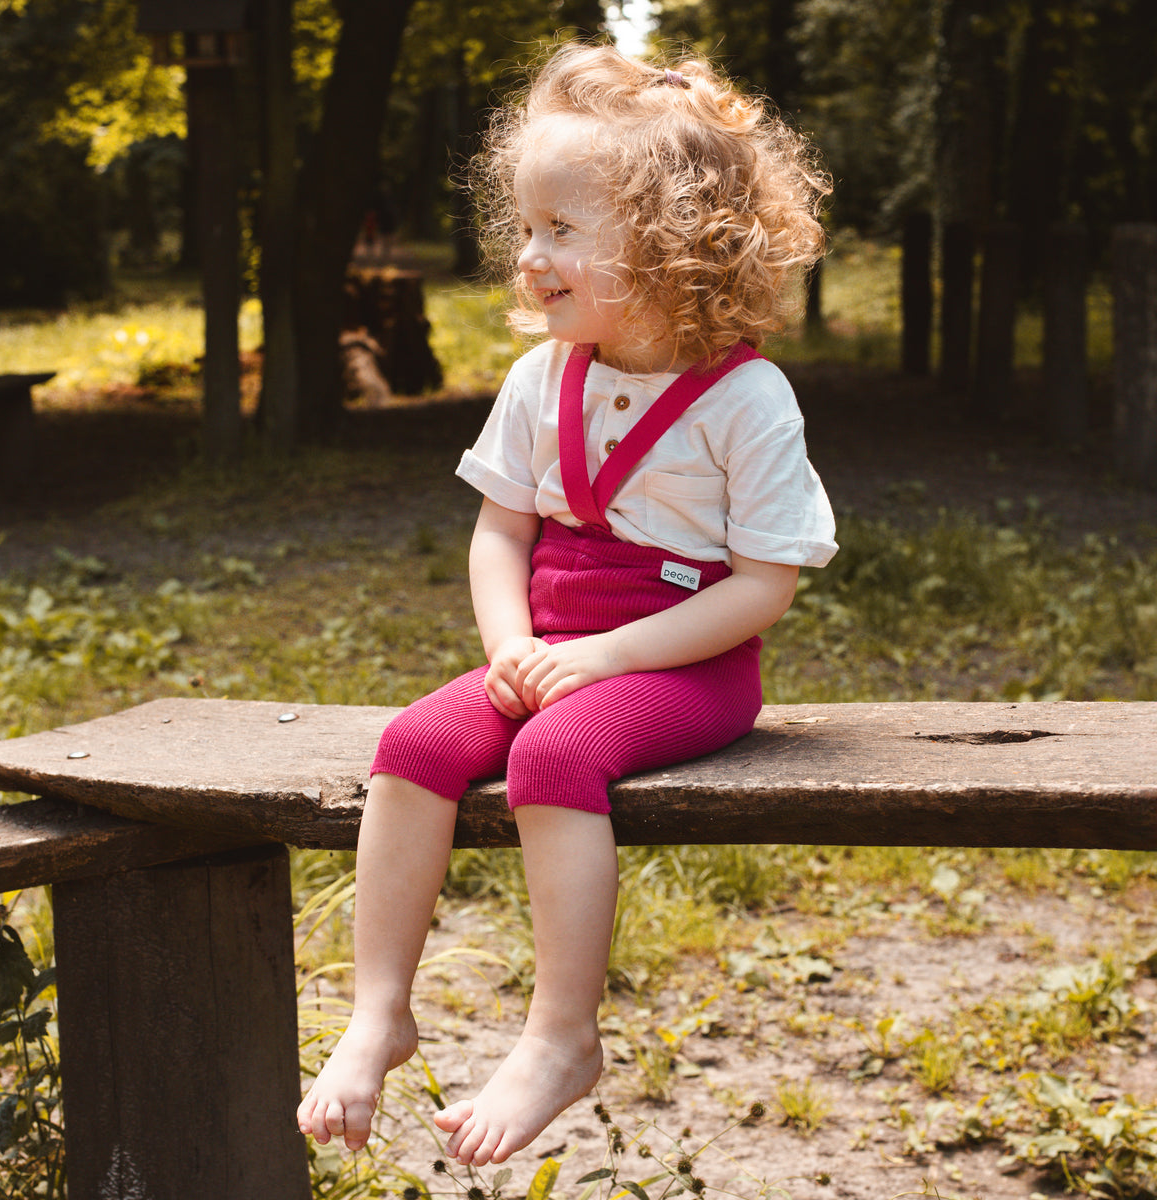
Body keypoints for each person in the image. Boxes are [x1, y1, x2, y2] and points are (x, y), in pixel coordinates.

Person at [297, 41, 837, 1169]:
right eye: (526, 227)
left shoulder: (746, 399)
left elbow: (762, 589)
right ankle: (377, 1012)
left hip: (689, 662)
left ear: (677, 243)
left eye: (562, 231)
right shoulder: (546, 376)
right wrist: (513, 647)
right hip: (552, 648)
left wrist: (601, 664)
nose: (528, 258)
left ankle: (558, 1037)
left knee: (553, 758)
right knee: (414, 741)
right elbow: (502, 530)